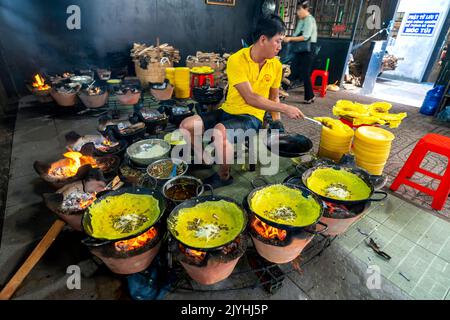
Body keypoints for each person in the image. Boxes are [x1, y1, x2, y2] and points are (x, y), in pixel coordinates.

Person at [180, 14, 305, 188]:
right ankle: (205, 159)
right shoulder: (236, 60)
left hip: (251, 117)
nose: (280, 47)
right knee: (186, 125)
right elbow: (250, 97)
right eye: (277, 41)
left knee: (219, 132)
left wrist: (277, 122)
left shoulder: (275, 65)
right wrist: (285, 108)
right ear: (263, 39)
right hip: (228, 110)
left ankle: (224, 176)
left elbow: (273, 97)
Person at [283, 1, 318, 104]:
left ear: (306, 9)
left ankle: (309, 96)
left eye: (299, 9)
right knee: (292, 69)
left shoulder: (309, 20)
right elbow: (296, 33)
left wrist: (290, 39)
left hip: (308, 49)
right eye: (297, 10)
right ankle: (281, 91)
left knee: (305, 73)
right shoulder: (302, 20)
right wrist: (288, 37)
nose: (298, 12)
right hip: (300, 49)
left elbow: (305, 36)